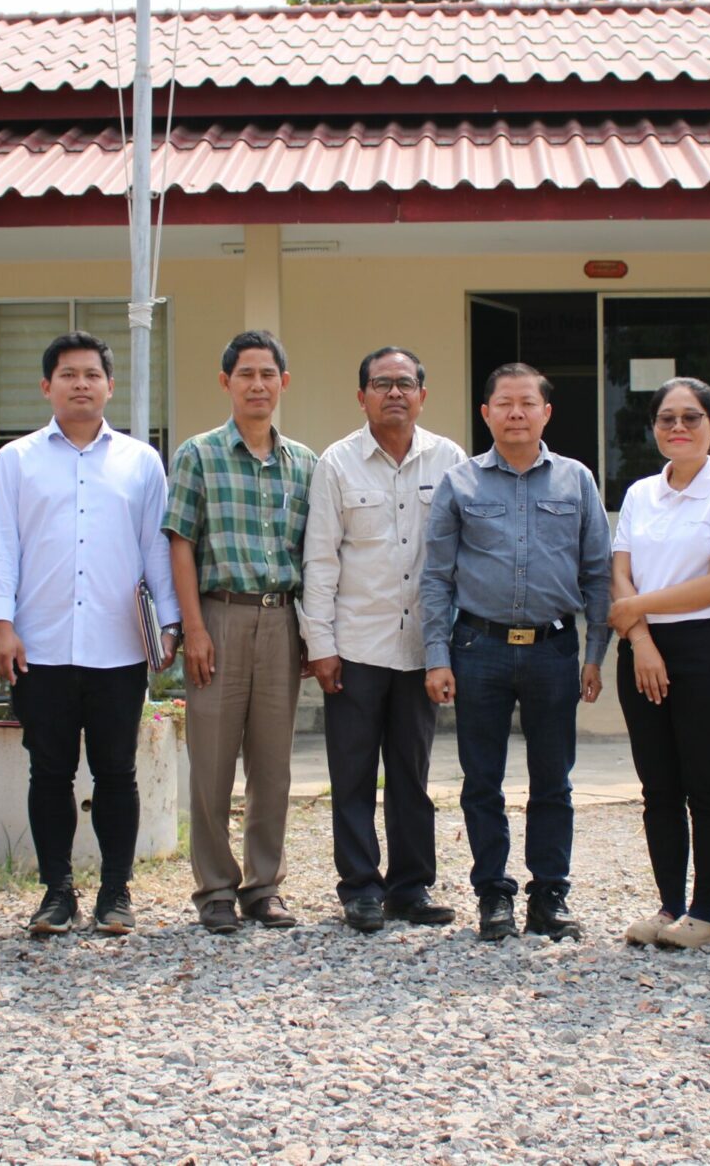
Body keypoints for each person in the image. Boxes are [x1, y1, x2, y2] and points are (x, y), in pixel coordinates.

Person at [0, 332, 180, 938]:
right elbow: (2, 546)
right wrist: (1, 624)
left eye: (92, 374)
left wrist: (166, 626)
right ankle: (56, 891)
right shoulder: (16, 460)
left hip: (117, 646)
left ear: (110, 386)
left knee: (117, 772)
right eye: (67, 374)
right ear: (46, 386)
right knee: (49, 773)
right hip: (39, 645)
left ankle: (116, 893)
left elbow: (155, 547)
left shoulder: (140, 461)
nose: (80, 384)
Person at [421, 362, 610, 943]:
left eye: (528, 403)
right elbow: (435, 577)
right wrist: (437, 654)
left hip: (554, 649)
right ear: (487, 412)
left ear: (546, 412)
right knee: (483, 780)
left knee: (553, 779)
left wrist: (595, 652)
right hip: (479, 647)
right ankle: (493, 895)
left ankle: (549, 895)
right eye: (504, 403)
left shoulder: (576, 481)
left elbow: (599, 572)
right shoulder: (460, 483)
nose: (516, 413)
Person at [300, 347, 467, 933]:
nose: (393, 392)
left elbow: (461, 556)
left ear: (423, 393)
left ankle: (410, 888)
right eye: (381, 383)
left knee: (411, 774)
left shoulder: (449, 459)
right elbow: (319, 560)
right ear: (362, 395)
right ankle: (360, 889)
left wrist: (452, 645)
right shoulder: (337, 463)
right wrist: (319, 644)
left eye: (404, 383)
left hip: (423, 646)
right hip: (356, 647)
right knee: (350, 774)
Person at [166, 329, 315, 935]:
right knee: (212, 762)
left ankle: (264, 886)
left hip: (282, 617)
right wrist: (193, 628)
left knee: (274, 764)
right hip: (218, 617)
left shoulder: (304, 463)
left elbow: (315, 552)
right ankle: (215, 890)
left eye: (268, 374)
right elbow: (180, 543)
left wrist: (312, 632)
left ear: (284, 382)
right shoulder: (197, 455)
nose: (258, 384)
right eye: (245, 374)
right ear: (225, 382)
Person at [609, 377, 710, 951]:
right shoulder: (643, 492)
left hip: (705, 651)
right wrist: (641, 639)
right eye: (667, 418)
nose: (678, 428)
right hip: (642, 651)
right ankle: (669, 903)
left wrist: (635, 608)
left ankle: (705, 912)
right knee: (658, 787)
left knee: (705, 785)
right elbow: (620, 570)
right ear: (653, 429)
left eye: (692, 418)